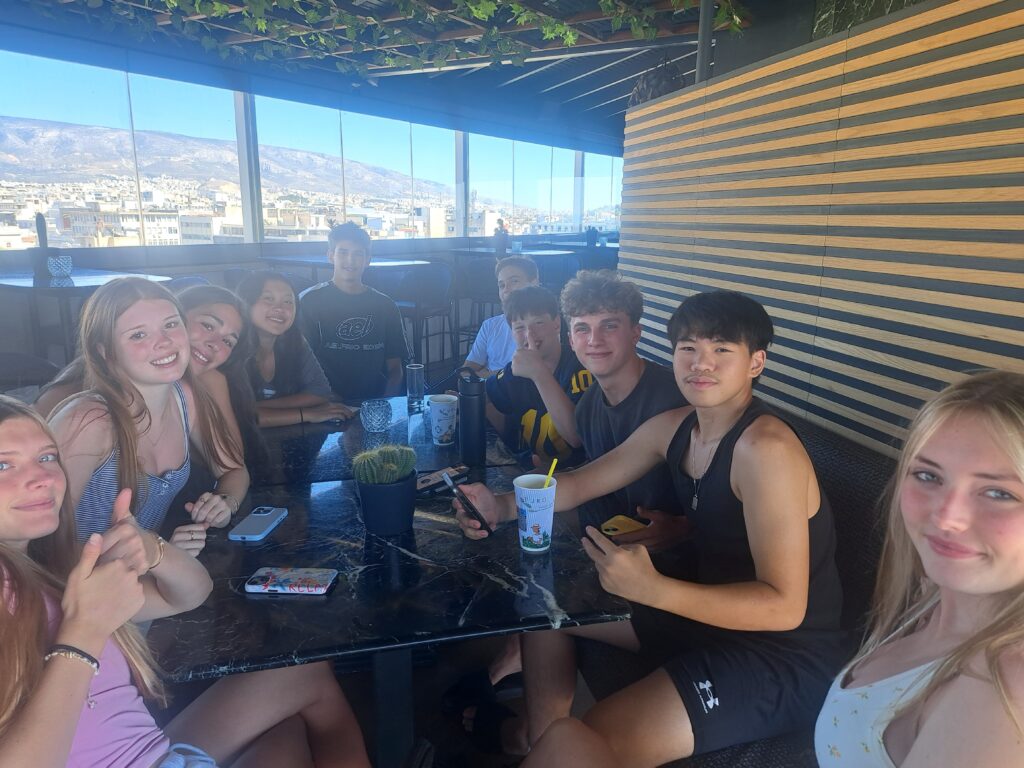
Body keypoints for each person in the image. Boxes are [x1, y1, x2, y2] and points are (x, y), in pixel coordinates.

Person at [456, 290, 847, 764]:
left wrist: (653, 589)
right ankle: (534, 742)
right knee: (544, 606)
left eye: (722, 349)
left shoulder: (766, 449)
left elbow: (785, 608)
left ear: (755, 363)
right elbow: (583, 481)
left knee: (589, 739)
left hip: (782, 656)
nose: (701, 363)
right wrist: (500, 506)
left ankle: (539, 745)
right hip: (704, 615)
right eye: (688, 348)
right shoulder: (679, 426)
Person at [0, 396, 371, 768]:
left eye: (47, 457)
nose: (41, 478)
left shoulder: (52, 571)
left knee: (300, 685)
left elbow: (191, 593)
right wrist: (83, 634)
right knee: (291, 729)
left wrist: (153, 548)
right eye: (3, 464)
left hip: (154, 752)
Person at [457, 271, 688, 738]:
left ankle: (532, 737)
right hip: (614, 549)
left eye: (610, 325)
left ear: (637, 332)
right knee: (522, 564)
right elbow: (583, 480)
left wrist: (687, 527)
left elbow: (722, 508)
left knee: (540, 603)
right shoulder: (593, 403)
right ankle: (536, 731)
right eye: (583, 328)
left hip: (671, 589)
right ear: (571, 336)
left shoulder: (672, 401)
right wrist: (500, 505)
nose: (594, 340)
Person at [812, 370, 1024, 767]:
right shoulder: (931, 596)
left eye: (999, 493)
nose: (946, 518)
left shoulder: (1006, 685)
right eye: (928, 475)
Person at [47, 278, 250, 556]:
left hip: (144, 569)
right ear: (105, 351)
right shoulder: (89, 421)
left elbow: (234, 470)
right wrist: (158, 554)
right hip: (83, 578)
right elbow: (44, 541)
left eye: (171, 324)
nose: (164, 342)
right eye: (138, 335)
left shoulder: (185, 397)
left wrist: (225, 503)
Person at [299, 223, 409, 404]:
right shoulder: (309, 301)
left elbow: (395, 368)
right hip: (325, 404)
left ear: (368, 260)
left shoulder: (385, 305)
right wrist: (335, 403)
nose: (350, 260)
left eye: (358, 254)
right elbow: (301, 366)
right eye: (343, 252)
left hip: (375, 402)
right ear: (331, 256)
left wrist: (383, 404)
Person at [485, 285, 591, 466]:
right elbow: (486, 394)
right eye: (519, 327)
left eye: (538, 323)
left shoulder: (580, 369)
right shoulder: (516, 369)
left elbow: (576, 437)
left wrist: (538, 373)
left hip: (575, 474)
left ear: (557, 324)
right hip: (527, 473)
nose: (529, 334)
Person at [236, 271, 353, 428]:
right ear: (246, 303)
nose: (280, 308)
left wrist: (257, 407)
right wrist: (307, 414)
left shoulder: (295, 341)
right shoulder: (229, 347)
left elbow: (320, 391)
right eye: (268, 299)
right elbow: (232, 416)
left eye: (288, 301)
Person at [463, 256, 539, 379]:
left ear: (534, 283)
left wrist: (485, 375)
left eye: (514, 281)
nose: (506, 290)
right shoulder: (490, 325)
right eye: (502, 285)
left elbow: (525, 373)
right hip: (488, 388)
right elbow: (466, 370)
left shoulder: (543, 326)